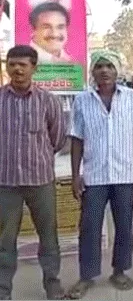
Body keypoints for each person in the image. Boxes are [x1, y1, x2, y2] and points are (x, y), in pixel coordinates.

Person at [67, 50, 133, 299]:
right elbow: (76, 139)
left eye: (109, 66)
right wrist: (76, 175)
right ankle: (87, 276)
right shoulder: (82, 100)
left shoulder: (132, 98)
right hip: (94, 176)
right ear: (93, 71)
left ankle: (119, 271)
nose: (104, 70)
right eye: (100, 66)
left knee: (125, 225)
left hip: (125, 174)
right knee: (89, 226)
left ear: (117, 71)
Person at [0, 45, 67, 300]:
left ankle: (52, 285)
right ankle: (3, 291)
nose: (17, 69)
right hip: (5, 183)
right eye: (12, 64)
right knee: (4, 243)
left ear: (34, 68)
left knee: (48, 237)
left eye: (23, 64)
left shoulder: (48, 101)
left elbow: (58, 139)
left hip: (40, 181)